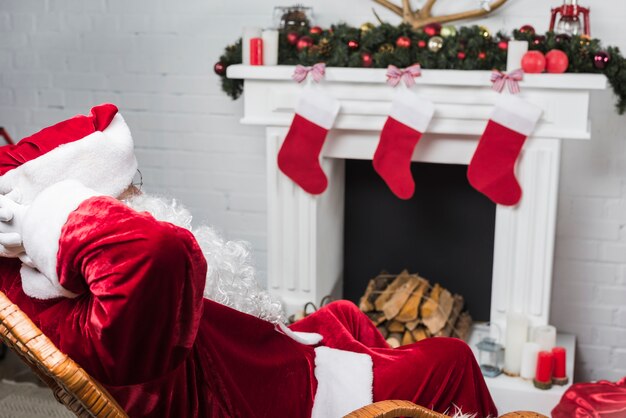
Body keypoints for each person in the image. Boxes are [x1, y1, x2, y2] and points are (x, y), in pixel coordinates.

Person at [0, 104, 497, 418]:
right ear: (82, 207)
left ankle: (384, 381)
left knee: (344, 313)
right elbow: (155, 251)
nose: (142, 195)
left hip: (259, 366)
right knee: (451, 357)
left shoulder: (63, 284)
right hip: (276, 401)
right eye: (128, 191)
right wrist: (49, 215)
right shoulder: (91, 295)